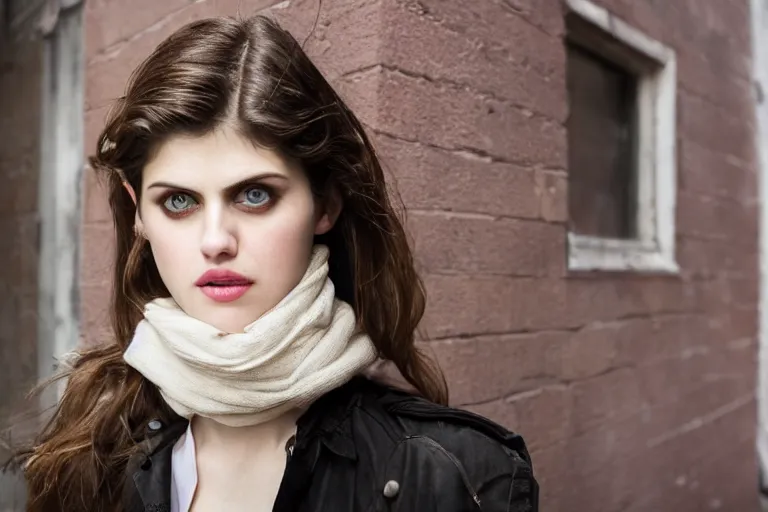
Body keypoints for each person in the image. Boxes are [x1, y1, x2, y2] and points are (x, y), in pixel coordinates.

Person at [17, 14, 538, 512]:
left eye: (254, 195)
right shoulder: (91, 443)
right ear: (139, 215)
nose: (216, 241)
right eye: (178, 201)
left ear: (325, 205)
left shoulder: (458, 475)